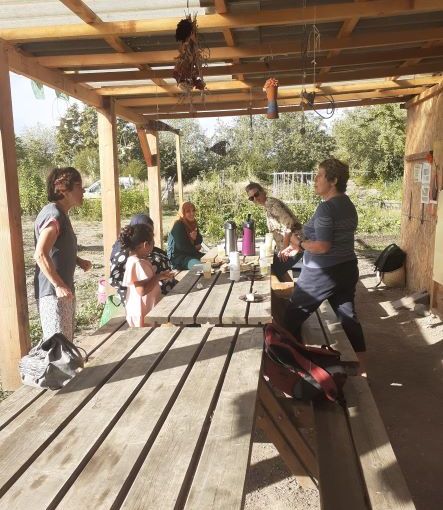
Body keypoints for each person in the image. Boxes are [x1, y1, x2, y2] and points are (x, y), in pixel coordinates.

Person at [280, 158, 367, 373]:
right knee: (348, 319)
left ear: (334, 180)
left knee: (290, 318)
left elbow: (323, 246)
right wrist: (299, 247)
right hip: (347, 268)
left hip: (322, 273)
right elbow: (329, 236)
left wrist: (299, 244)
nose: (315, 179)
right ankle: (361, 370)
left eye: (319, 175)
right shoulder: (347, 204)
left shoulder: (326, 208)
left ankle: (290, 367)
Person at [34, 167, 91, 342]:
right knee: (58, 347)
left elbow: (56, 248)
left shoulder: (61, 214)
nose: (83, 190)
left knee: (64, 344)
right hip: (53, 293)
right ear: (63, 190)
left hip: (61, 292)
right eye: (79, 186)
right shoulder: (54, 214)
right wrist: (58, 285)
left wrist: (77, 260)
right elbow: (40, 254)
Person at [109, 213, 177, 303]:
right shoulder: (134, 260)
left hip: (151, 296)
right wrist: (157, 277)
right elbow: (141, 290)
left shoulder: (138, 255)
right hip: (141, 302)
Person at [245, 182, 303, 280]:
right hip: (290, 245)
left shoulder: (272, 205)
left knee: (274, 270)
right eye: (251, 198)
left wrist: (284, 248)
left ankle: (290, 290)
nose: (255, 199)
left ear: (263, 191)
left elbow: (289, 225)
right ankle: (289, 289)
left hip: (295, 245)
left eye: (256, 194)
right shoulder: (268, 205)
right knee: (275, 269)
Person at [119, 223, 173, 327]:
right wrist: (157, 277)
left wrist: (160, 276)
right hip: (142, 313)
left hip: (143, 310)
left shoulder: (135, 260)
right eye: (152, 243)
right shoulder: (138, 263)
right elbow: (142, 291)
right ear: (145, 245)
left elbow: (146, 281)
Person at [167, 201, 204, 270]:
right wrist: (195, 248)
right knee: (202, 267)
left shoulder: (192, 223)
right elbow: (181, 247)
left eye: (193, 210)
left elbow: (199, 240)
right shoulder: (178, 224)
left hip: (190, 254)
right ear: (183, 213)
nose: (192, 213)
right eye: (188, 211)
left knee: (210, 260)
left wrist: (195, 238)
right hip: (178, 258)